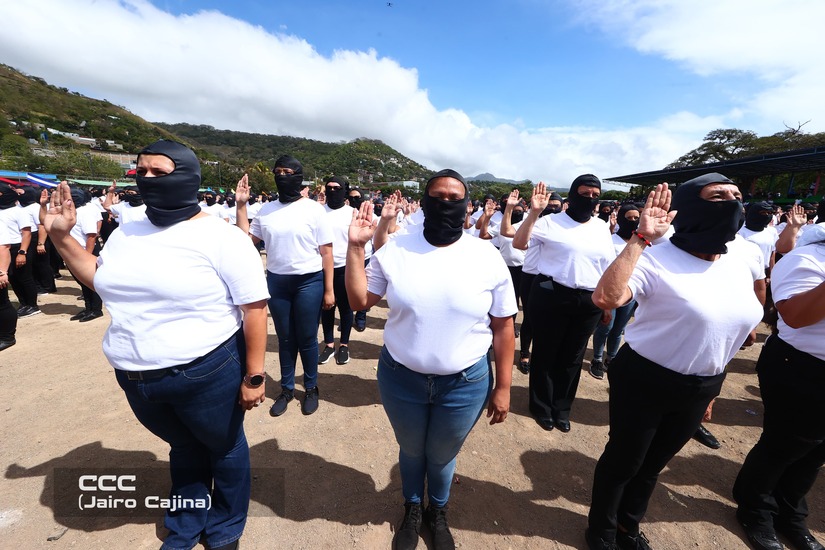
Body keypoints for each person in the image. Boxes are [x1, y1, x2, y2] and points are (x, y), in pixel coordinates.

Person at [42, 139, 269, 550]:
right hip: (136, 377)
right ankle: (186, 521)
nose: (146, 179)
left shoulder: (223, 238)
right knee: (183, 447)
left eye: (159, 172)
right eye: (140, 171)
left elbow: (254, 309)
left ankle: (225, 526)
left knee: (223, 447)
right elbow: (99, 277)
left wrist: (254, 375)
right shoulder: (128, 233)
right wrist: (61, 238)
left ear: (187, 176)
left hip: (205, 373)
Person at [585, 175, 763, 550]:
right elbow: (606, 297)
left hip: (701, 385)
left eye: (736, 196)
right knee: (625, 461)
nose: (733, 203)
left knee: (652, 467)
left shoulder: (741, 259)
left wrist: (712, 390)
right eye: (718, 196)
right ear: (691, 207)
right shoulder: (656, 257)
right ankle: (601, 529)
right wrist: (640, 239)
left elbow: (727, 333)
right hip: (645, 379)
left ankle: (627, 527)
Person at [346, 169, 516, 550]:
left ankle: (436, 510)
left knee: (441, 455)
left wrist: (503, 387)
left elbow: (504, 327)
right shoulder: (396, 250)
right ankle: (411, 507)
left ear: (468, 206)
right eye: (437, 197)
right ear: (423, 203)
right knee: (410, 449)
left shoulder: (486, 257)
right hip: (401, 378)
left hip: (464, 383)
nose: (446, 204)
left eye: (455, 198)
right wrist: (356, 248)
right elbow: (360, 301)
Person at [733, 224, 825, 550]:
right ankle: (755, 509)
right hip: (803, 368)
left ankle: (790, 513)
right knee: (783, 447)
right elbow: (796, 315)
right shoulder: (807, 260)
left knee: (815, 454)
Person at [513, 176, 615, 432]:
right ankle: (541, 406)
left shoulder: (601, 227)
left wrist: (607, 304)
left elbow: (605, 266)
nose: (590, 198)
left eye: (595, 194)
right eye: (584, 193)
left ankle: (561, 407)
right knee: (547, 353)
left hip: (589, 300)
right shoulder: (549, 222)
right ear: (572, 194)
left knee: (573, 356)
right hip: (552, 295)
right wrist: (534, 213)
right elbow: (519, 243)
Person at [235, 156, 334, 417]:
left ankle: (311, 387)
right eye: (277, 171)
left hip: (309, 281)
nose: (281, 175)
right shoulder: (266, 210)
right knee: (285, 338)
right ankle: (287, 389)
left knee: (307, 337)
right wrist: (241, 206)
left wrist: (329, 289)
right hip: (277, 282)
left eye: (288, 171)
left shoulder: (314, 209)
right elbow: (246, 241)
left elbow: (327, 252)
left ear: (299, 176)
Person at [588, 204, 640, 380]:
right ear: (620, 219)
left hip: (629, 295)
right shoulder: (610, 241)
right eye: (629, 218)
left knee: (618, 330)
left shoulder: (640, 242)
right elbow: (603, 270)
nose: (633, 221)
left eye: (636, 218)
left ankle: (611, 358)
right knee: (605, 327)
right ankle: (596, 359)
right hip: (610, 294)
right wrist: (605, 306)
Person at [318, 176, 356, 365]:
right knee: (326, 307)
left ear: (344, 191)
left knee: (346, 308)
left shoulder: (352, 213)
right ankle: (330, 344)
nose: (332, 191)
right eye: (329, 187)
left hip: (345, 267)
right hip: (323, 267)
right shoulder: (318, 212)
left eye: (337, 187)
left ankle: (344, 345)